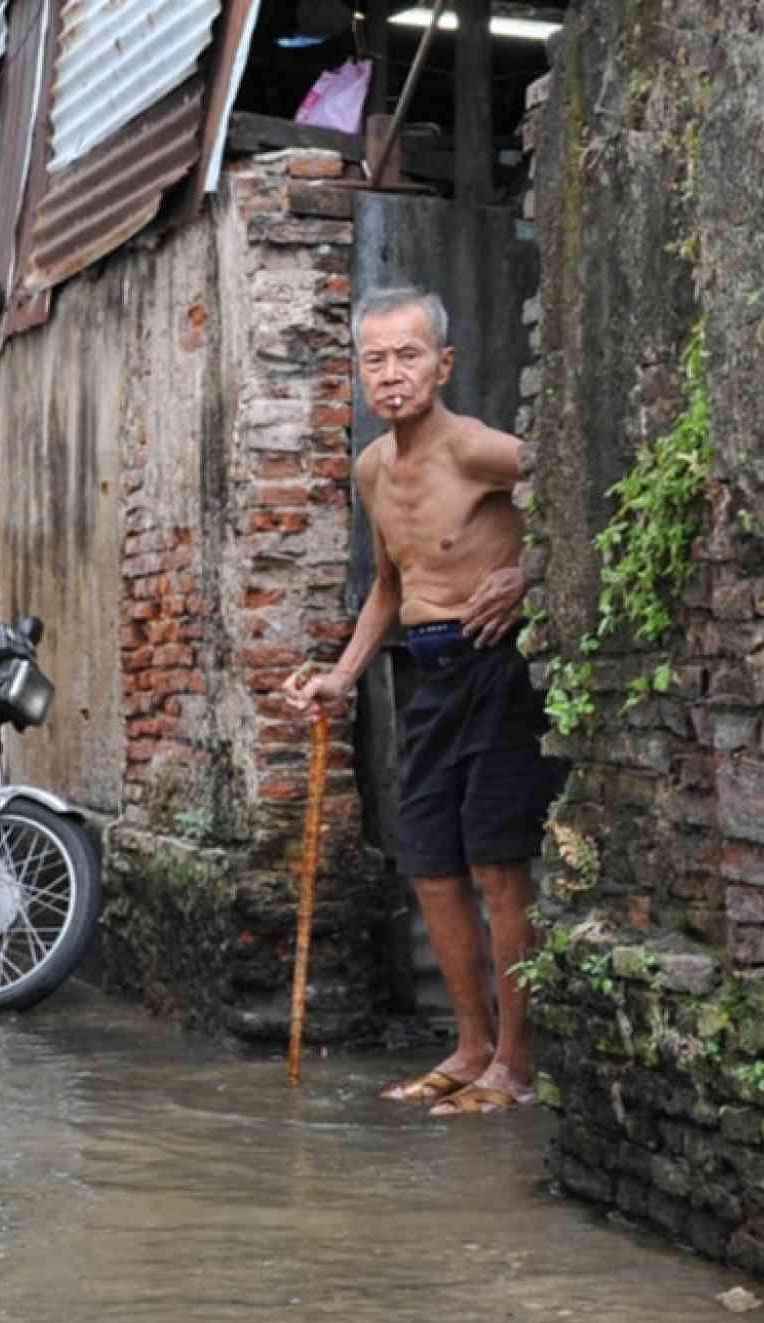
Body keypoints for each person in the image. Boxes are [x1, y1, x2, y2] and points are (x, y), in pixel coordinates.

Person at [283, 286, 561, 1117]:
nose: (392, 373)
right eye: (376, 358)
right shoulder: (372, 469)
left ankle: (516, 1063)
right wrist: (343, 671)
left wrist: (528, 575)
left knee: (495, 861)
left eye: (409, 356)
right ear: (360, 372)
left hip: (498, 667)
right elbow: (390, 588)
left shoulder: (476, 450)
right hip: (425, 677)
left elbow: (572, 493)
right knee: (431, 865)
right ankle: (471, 1046)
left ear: (442, 365)